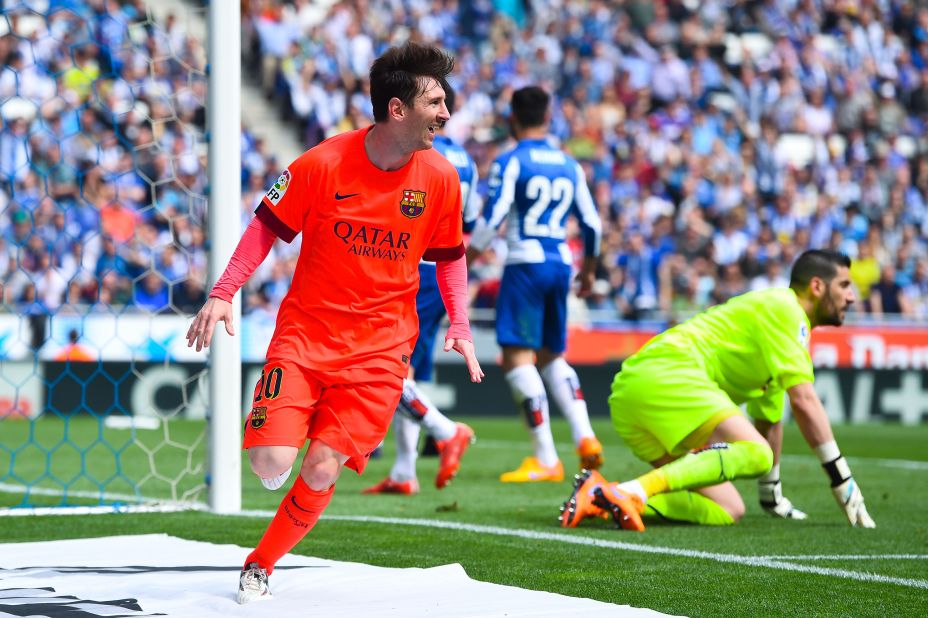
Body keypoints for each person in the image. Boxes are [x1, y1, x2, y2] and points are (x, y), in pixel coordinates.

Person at [186, 42, 483, 604]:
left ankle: (260, 565)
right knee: (270, 464)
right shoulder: (320, 164)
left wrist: (461, 325)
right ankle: (296, 422)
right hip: (305, 337)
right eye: (436, 101)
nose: (447, 113)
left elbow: (450, 256)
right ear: (397, 109)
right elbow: (266, 226)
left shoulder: (441, 178)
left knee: (322, 467)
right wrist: (224, 291)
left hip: (381, 351)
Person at [559, 250, 876, 532]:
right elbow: (804, 401)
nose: (852, 296)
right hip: (669, 373)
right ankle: (632, 491)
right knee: (757, 453)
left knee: (728, 509)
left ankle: (605, 498)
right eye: (845, 285)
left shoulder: (781, 333)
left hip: (636, 394)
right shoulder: (787, 310)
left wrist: (771, 495)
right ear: (818, 286)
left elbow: (769, 420)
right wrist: (842, 481)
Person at [466, 85, 604, 483]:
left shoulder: (511, 161)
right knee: (551, 355)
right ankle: (586, 438)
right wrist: (590, 270)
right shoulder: (568, 163)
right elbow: (592, 224)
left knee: (517, 358)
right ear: (547, 118)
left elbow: (492, 219)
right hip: (561, 262)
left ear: (512, 119)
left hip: (525, 262)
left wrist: (467, 259)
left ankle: (546, 458)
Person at [363, 85, 482, 495]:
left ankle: (443, 432)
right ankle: (403, 470)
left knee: (378, 359)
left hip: (413, 267)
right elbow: (472, 221)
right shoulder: (467, 161)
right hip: (443, 269)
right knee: (405, 364)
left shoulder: (420, 154)